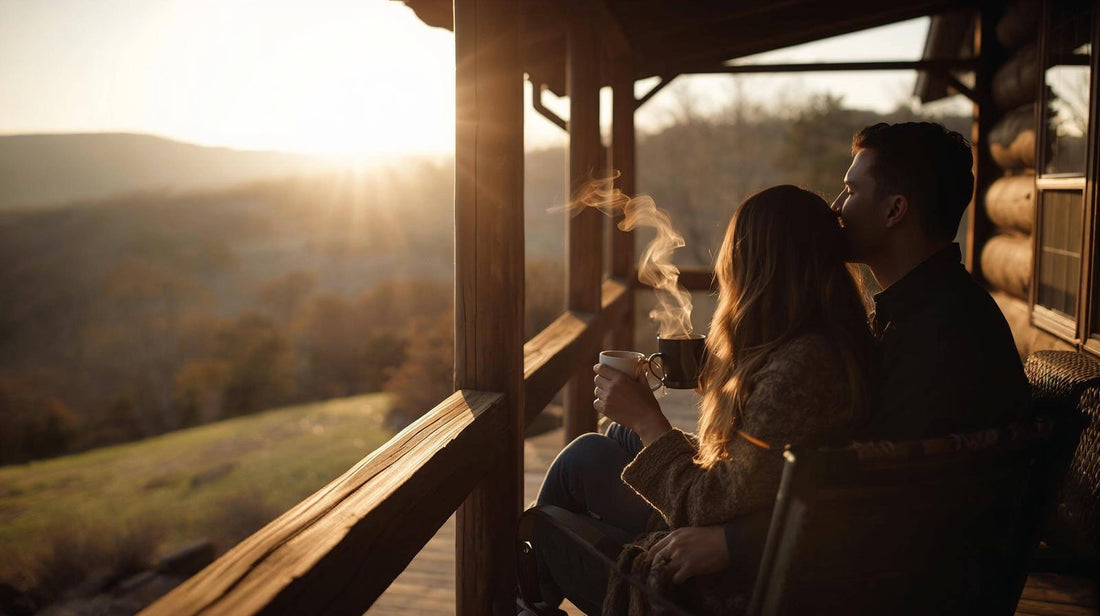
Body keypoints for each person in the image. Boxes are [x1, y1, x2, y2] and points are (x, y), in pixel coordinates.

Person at [640, 122, 1032, 601]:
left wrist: (734, 542)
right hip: (830, 548)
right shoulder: (922, 312)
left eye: (850, 190)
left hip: (876, 588)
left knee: (588, 466)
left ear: (894, 210)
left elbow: (890, 499)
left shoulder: (943, 337)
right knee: (612, 448)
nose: (835, 208)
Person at [528, 185, 873, 615]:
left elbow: (710, 504)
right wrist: (723, 377)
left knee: (543, 525)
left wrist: (649, 420)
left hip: (722, 588)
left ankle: (526, 601)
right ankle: (529, 600)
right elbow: (754, 471)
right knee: (598, 446)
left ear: (757, 266)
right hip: (755, 525)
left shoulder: (801, 369)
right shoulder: (822, 342)